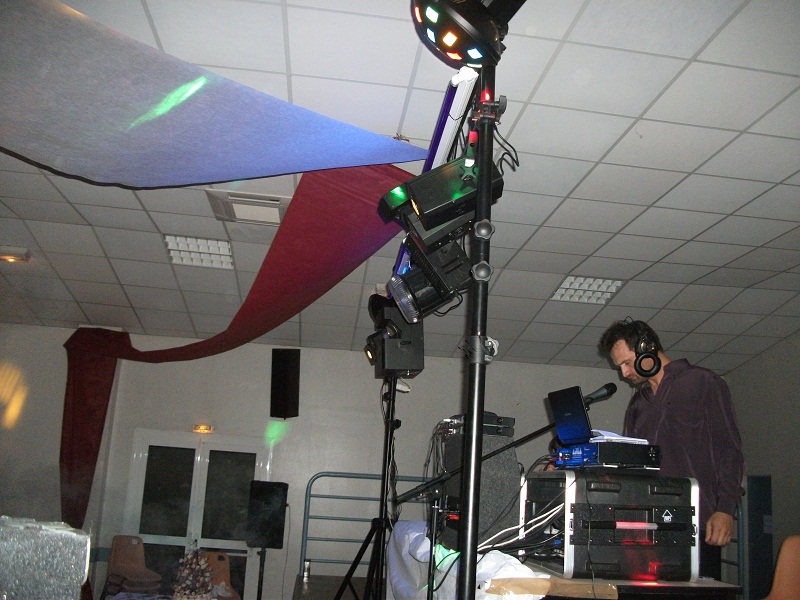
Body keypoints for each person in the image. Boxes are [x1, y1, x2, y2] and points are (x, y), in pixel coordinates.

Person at [598, 319, 745, 580]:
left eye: (627, 363)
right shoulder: (638, 403)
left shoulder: (703, 382)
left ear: (647, 348)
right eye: (619, 366)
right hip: (648, 527)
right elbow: (633, 465)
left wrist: (725, 509)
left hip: (696, 522)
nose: (624, 373)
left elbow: (730, 450)